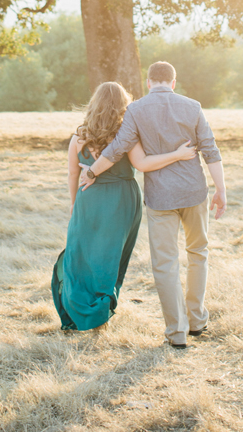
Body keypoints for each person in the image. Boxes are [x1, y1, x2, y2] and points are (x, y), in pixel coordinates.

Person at [79, 60, 226, 349]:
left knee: (165, 264)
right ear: (173, 82)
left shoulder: (135, 110)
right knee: (198, 253)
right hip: (195, 193)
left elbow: (117, 148)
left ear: (148, 83)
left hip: (160, 198)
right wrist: (221, 189)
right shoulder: (193, 106)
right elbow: (210, 149)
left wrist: (92, 171)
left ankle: (177, 333)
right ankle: (196, 320)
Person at [53, 80, 198, 332]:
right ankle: (100, 312)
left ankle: (83, 312)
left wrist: (74, 204)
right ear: (123, 105)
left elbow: (71, 174)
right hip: (122, 199)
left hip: (88, 198)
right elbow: (142, 164)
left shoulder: (80, 136)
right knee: (110, 257)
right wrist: (177, 154)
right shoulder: (127, 135)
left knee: (82, 255)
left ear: (94, 104)